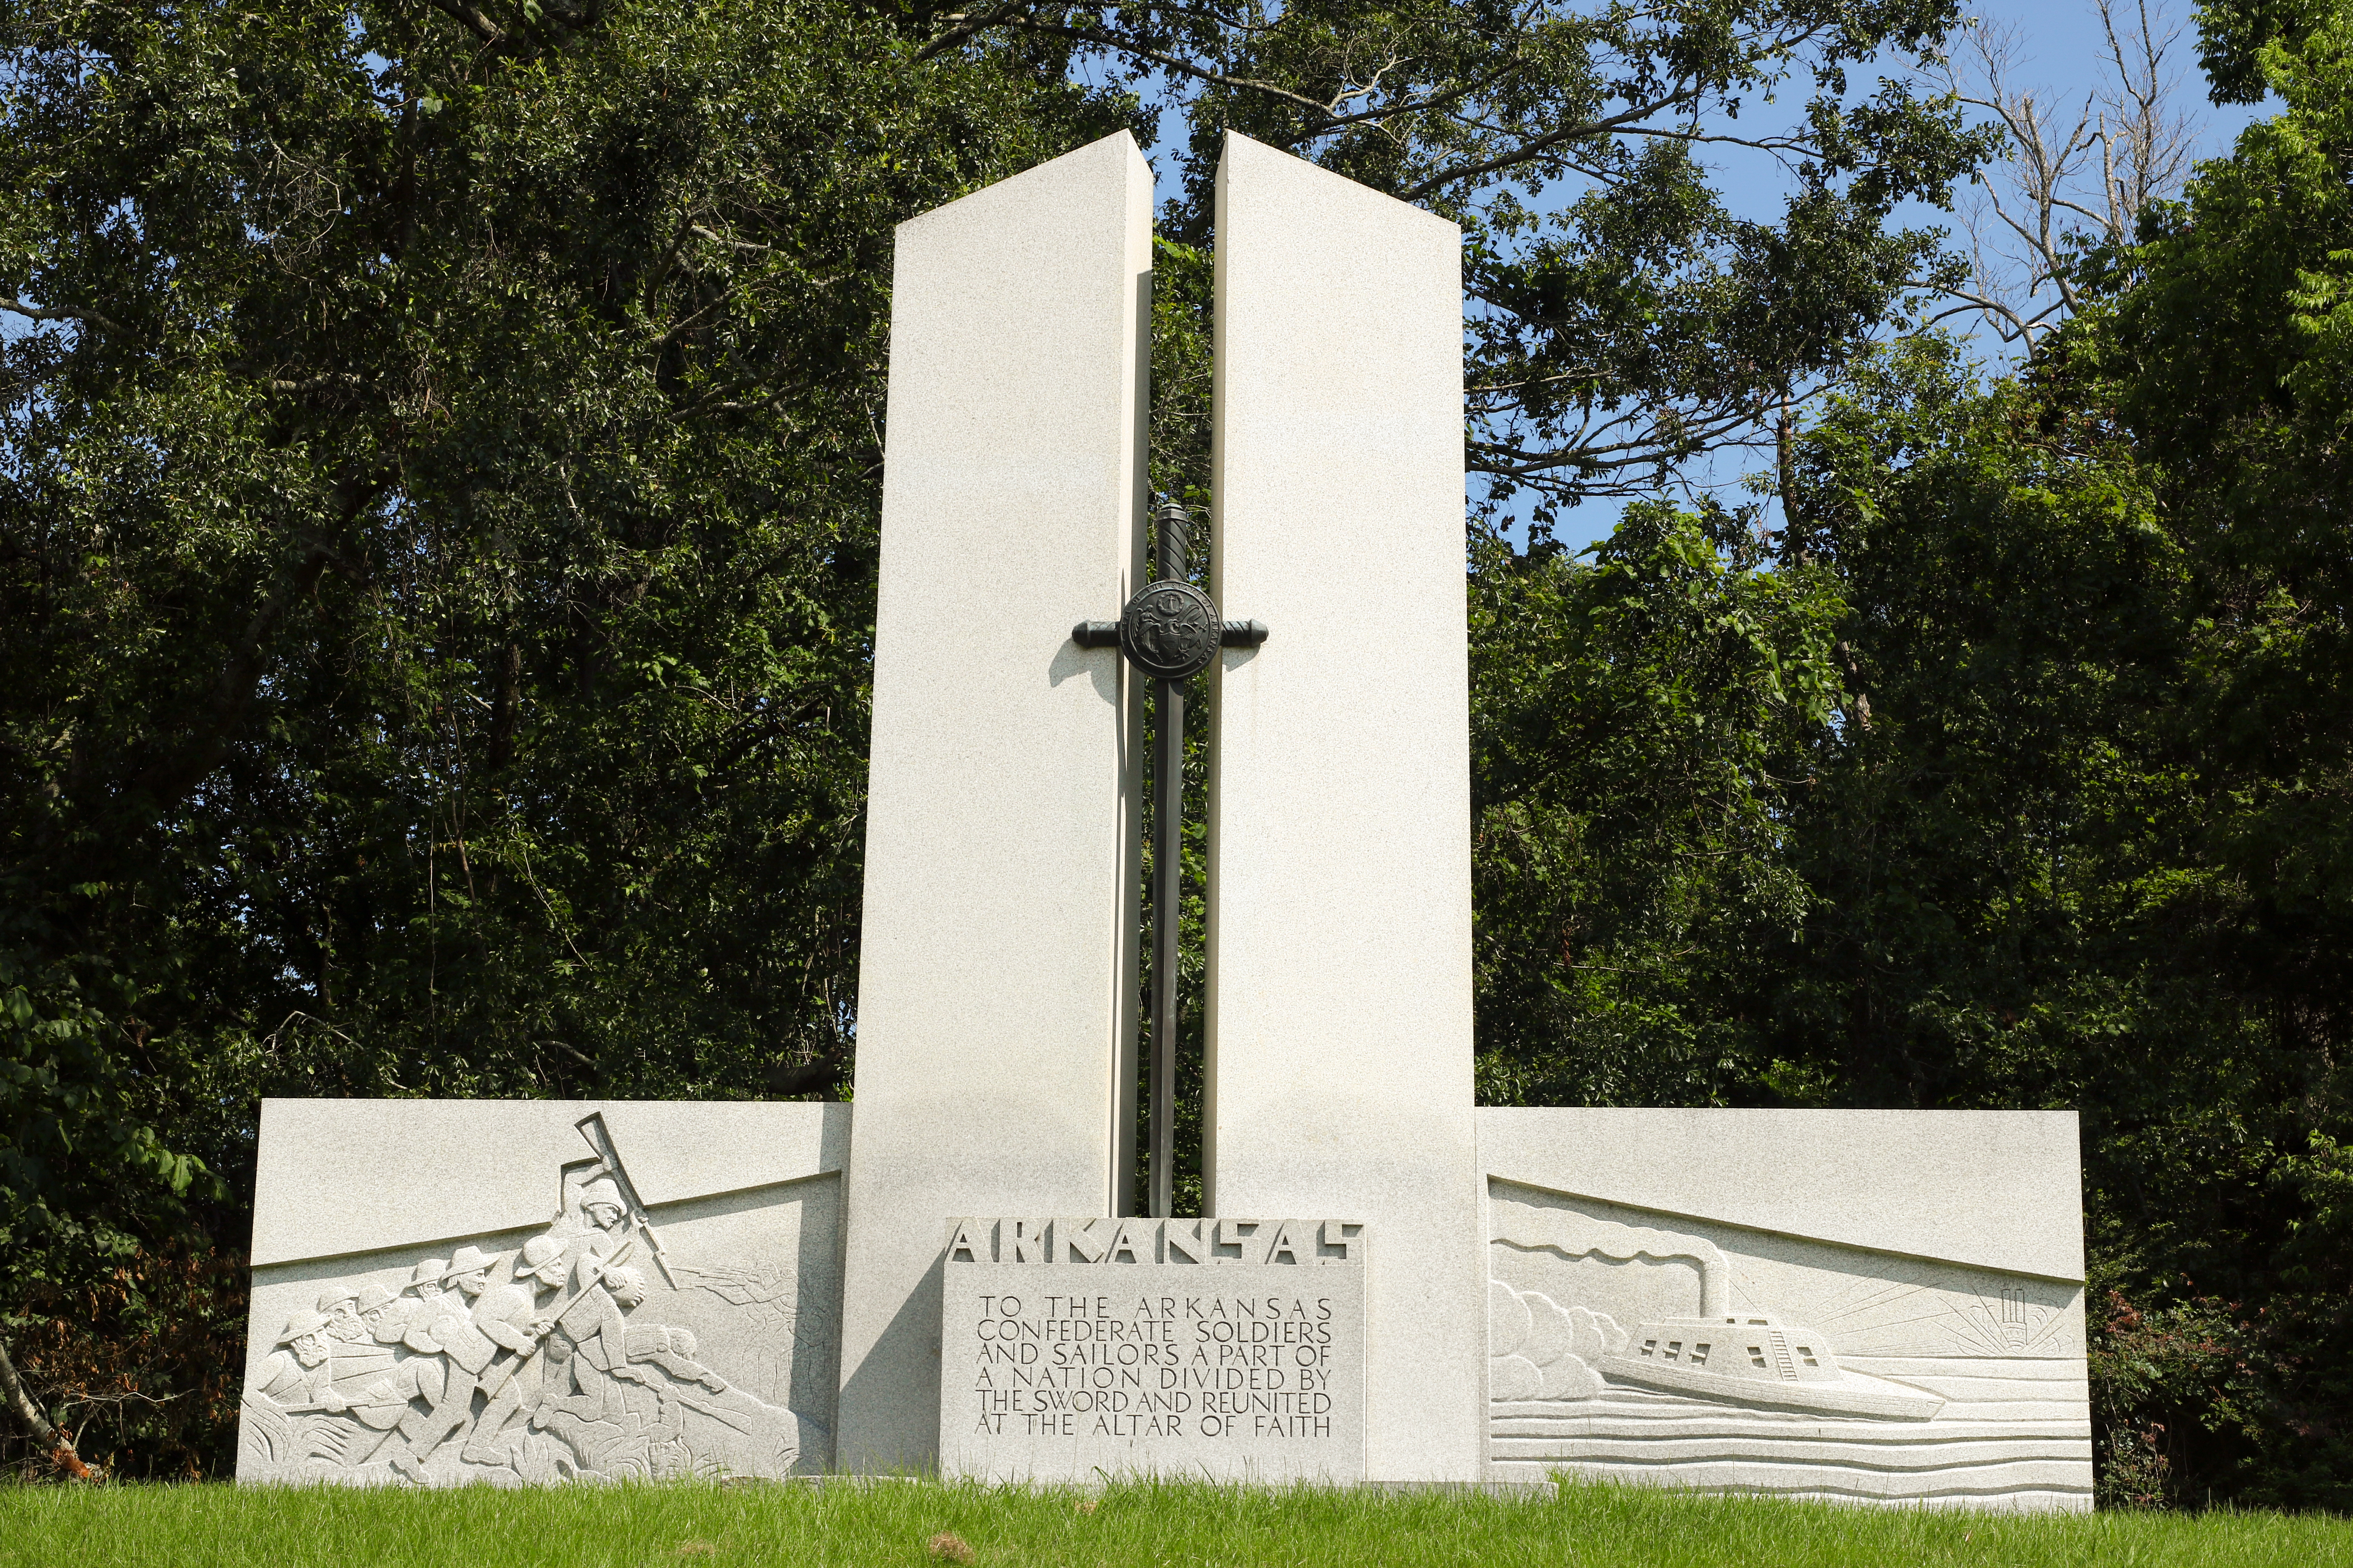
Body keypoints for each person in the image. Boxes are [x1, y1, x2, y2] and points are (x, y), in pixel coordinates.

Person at [456, 1235, 569, 1466]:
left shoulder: (526, 1297)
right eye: (557, 1264)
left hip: (484, 1359)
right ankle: (475, 1448)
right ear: (539, 1271)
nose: (562, 1270)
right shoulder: (515, 1294)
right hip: (472, 1356)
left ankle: (476, 1448)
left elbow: (509, 1322)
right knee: (459, 1411)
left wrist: (531, 1327)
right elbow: (488, 1321)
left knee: (509, 1398)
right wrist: (519, 1341)